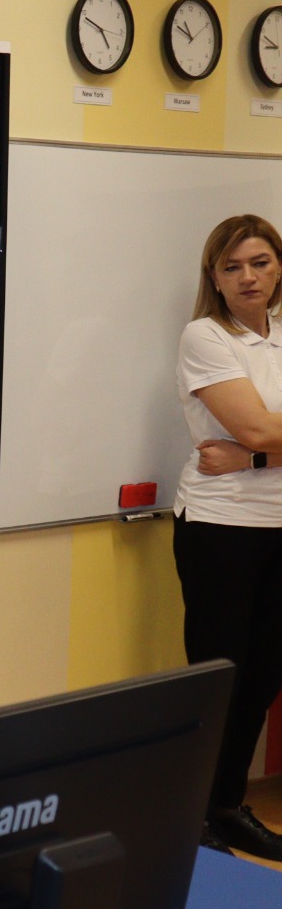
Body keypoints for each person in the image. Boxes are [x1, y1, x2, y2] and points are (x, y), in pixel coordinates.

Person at [170, 214, 282, 861]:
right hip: (222, 528)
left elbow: (258, 440)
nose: (248, 277)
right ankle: (192, 820)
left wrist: (256, 456)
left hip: (279, 528)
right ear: (214, 277)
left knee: (263, 678)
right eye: (232, 267)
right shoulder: (205, 336)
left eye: (260, 262)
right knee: (220, 681)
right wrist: (259, 444)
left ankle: (228, 807)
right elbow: (257, 427)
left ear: (279, 267)